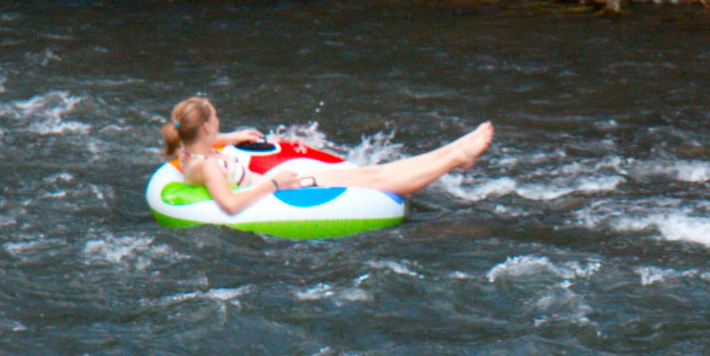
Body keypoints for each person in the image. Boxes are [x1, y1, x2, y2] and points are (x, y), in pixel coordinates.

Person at [158, 95, 492, 213]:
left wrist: (233, 136)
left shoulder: (187, 149)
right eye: (216, 118)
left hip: (278, 183)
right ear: (204, 128)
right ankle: (454, 158)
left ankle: (453, 150)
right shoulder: (208, 167)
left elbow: (210, 144)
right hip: (279, 189)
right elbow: (229, 205)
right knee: (373, 179)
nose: (220, 121)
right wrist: (273, 183)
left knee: (370, 173)